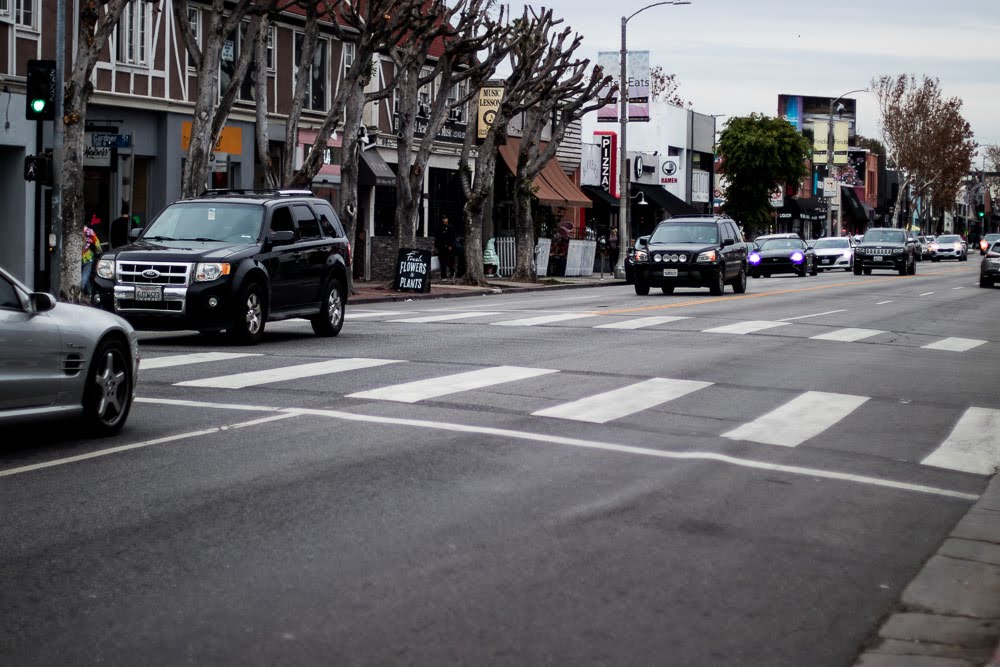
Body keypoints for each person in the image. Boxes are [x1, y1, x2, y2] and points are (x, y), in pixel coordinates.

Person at [81, 224, 102, 297]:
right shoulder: (89, 231)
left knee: (84, 276)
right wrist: (99, 253)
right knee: (85, 276)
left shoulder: (74, 230)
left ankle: (90, 294)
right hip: (88, 257)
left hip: (77, 258)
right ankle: (80, 291)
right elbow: (97, 243)